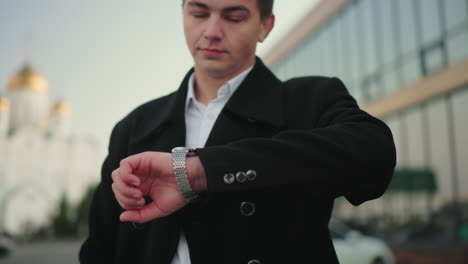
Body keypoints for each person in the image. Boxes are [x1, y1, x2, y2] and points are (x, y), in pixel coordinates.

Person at [79, 0, 396, 263]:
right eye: (199, 13)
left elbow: (374, 154)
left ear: (265, 26)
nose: (212, 32)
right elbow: (99, 249)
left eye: (233, 16)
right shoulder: (135, 126)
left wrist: (201, 171)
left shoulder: (309, 100)